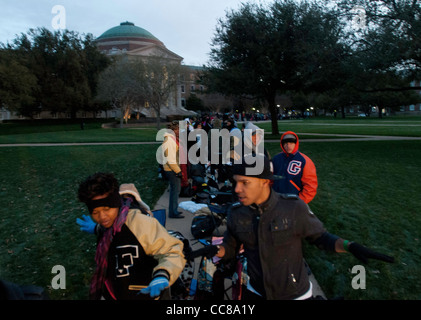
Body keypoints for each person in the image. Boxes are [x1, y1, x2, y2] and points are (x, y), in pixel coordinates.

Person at [191, 154, 394, 300]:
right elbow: (231, 247)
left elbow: (321, 238)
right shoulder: (236, 213)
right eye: (236, 182)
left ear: (264, 183)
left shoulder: (293, 208)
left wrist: (351, 246)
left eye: (245, 183)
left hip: (295, 294)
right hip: (255, 292)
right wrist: (217, 250)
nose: (237, 189)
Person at [77, 172, 186, 300]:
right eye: (95, 212)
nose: (102, 217)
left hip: (147, 295)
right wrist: (97, 229)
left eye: (106, 209)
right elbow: (113, 236)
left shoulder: (140, 223)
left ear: (116, 203)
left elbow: (171, 251)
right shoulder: (106, 228)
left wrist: (162, 275)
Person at [272, 131, 317, 203]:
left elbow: (310, 186)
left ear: (296, 143)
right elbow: (270, 179)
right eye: (286, 143)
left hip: (294, 199)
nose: (288, 146)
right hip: (275, 198)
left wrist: (300, 202)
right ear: (282, 144)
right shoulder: (276, 158)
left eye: (291, 143)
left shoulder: (304, 160)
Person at [162, 120, 185, 218]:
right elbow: (170, 159)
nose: (180, 131)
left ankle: (174, 210)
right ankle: (173, 212)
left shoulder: (172, 139)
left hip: (173, 168)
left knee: (176, 191)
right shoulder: (169, 141)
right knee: (175, 191)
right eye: (179, 129)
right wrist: (178, 171)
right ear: (174, 130)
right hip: (171, 169)